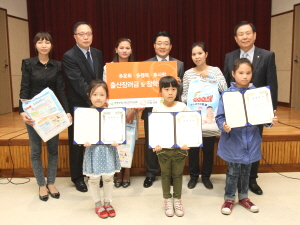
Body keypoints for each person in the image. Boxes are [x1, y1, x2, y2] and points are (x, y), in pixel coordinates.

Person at [216, 58, 278, 215]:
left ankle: (244, 197)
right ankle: (229, 198)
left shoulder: (258, 94)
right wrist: (224, 126)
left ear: (252, 74)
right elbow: (219, 117)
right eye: (241, 73)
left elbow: (264, 118)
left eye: (248, 73)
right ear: (233, 74)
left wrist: (270, 121)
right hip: (234, 141)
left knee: (247, 171)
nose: (245, 76)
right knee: (232, 171)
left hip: (251, 140)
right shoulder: (227, 95)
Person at [223, 21, 278, 195]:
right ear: (235, 38)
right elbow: (225, 83)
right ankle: (235, 179)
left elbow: (272, 83)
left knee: (253, 143)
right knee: (236, 142)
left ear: (254, 35)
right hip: (235, 109)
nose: (245, 37)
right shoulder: (229, 56)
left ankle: (252, 179)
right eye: (241, 34)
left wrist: (271, 109)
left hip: (257, 110)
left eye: (248, 33)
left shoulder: (267, 55)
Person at [19, 32, 72, 201]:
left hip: (51, 114)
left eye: (47, 42)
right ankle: (41, 185)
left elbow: (61, 90)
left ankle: (51, 182)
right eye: (40, 42)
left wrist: (67, 110)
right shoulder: (28, 64)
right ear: (35, 45)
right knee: (35, 150)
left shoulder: (57, 65)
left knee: (53, 149)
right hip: (33, 113)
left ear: (51, 45)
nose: (44, 45)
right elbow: (24, 88)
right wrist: (22, 111)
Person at [62, 22, 104, 192]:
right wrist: (94, 98)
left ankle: (94, 173)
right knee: (78, 142)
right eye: (82, 34)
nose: (86, 37)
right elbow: (77, 82)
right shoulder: (69, 56)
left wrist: (100, 99)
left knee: (95, 140)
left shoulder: (97, 53)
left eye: (89, 33)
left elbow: (100, 78)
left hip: (97, 104)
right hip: (79, 105)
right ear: (75, 36)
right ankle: (78, 177)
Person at [181, 42, 227, 190]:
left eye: (200, 53)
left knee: (208, 150)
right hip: (193, 118)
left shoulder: (215, 70)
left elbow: (224, 90)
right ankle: (193, 176)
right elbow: (183, 96)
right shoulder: (188, 74)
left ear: (206, 54)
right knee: (193, 149)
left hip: (210, 118)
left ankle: (206, 177)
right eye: (194, 54)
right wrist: (192, 97)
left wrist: (211, 77)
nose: (197, 57)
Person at [142, 31, 184, 188]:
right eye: (159, 43)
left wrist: (178, 84)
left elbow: (181, 90)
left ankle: (172, 173)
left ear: (170, 46)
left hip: (172, 109)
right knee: (151, 141)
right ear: (154, 46)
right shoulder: (146, 64)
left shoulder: (178, 64)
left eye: (165, 43)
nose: (162, 46)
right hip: (152, 110)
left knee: (171, 140)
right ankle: (151, 173)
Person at [103, 38, 142, 188]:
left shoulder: (136, 68)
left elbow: (139, 91)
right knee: (117, 142)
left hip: (131, 111)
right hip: (114, 112)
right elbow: (106, 89)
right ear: (116, 49)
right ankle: (118, 172)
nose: (124, 50)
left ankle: (127, 173)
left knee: (129, 142)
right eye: (121, 47)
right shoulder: (109, 68)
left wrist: (133, 110)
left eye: (127, 48)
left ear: (131, 50)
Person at [152, 76, 190, 217]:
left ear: (177, 90)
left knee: (178, 174)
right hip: (163, 150)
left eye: (173, 89)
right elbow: (155, 129)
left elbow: (187, 127)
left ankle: (178, 199)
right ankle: (167, 199)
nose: (170, 92)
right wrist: (155, 144)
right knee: (166, 174)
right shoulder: (157, 108)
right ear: (160, 91)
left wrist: (188, 142)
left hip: (180, 149)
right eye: (166, 89)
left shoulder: (182, 107)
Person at [82, 79, 121, 218]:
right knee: (93, 179)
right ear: (89, 96)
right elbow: (82, 134)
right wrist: (84, 141)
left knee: (109, 178)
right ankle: (98, 203)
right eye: (95, 94)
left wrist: (118, 139)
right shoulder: (85, 114)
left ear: (107, 97)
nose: (98, 98)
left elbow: (117, 131)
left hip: (108, 150)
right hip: (93, 151)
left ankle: (108, 202)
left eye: (102, 94)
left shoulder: (112, 114)